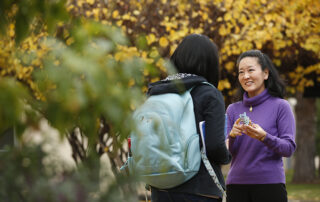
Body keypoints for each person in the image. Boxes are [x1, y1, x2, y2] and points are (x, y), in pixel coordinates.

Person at [148, 34, 232, 201]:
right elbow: (215, 146)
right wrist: (227, 154)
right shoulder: (209, 94)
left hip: (160, 186)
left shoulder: (156, 92)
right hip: (199, 188)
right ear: (210, 63)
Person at [226, 50, 296, 202]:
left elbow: (289, 148)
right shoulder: (232, 109)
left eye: (251, 70)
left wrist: (264, 137)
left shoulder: (281, 106)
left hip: (270, 185)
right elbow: (228, 152)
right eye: (241, 72)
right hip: (236, 186)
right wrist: (232, 136)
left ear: (265, 73)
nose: (246, 76)